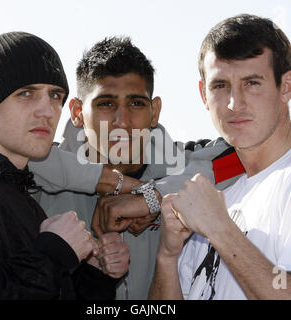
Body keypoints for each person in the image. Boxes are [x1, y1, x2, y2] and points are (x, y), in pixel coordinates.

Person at [29, 36, 245, 299]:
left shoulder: (180, 162)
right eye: (105, 103)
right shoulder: (39, 170)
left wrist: (154, 197)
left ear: (154, 112)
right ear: (76, 111)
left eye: (136, 103)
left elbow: (242, 157)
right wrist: (101, 179)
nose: (123, 121)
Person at [0, 31, 129, 300]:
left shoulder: (17, 191)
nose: (47, 110)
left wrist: (94, 275)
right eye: (26, 93)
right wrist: (53, 254)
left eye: (55, 95)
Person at [149, 14, 291, 300]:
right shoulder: (223, 194)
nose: (234, 104)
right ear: (203, 94)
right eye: (220, 86)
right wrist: (167, 256)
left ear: (286, 87)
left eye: (252, 83)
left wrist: (219, 229)